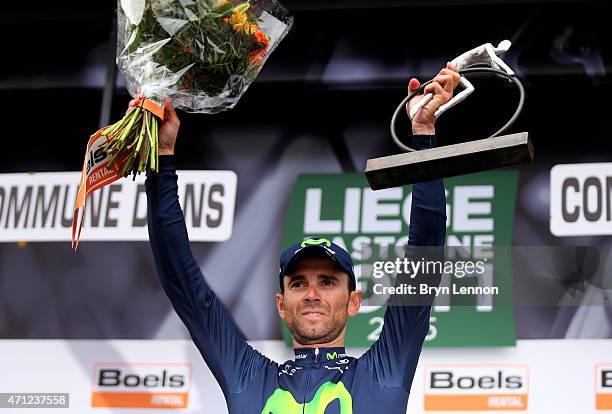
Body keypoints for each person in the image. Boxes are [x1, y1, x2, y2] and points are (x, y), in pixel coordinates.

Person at [142, 64, 460, 413]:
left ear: (354, 301)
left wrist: (424, 131)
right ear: (281, 304)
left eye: (326, 281)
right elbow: (182, 283)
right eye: (298, 283)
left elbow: (423, 260)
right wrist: (161, 159)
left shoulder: (383, 372)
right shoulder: (248, 376)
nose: (311, 294)